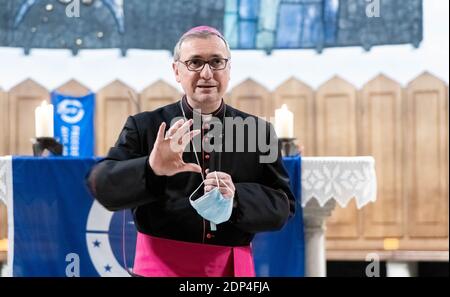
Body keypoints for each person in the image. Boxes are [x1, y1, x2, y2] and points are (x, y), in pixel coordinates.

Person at [87, 26, 295, 277]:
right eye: (195, 62)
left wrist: (236, 197)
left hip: (229, 271)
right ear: (177, 71)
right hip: (160, 269)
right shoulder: (145, 127)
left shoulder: (258, 132)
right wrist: (151, 169)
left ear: (229, 69)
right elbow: (104, 187)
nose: (207, 73)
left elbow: (282, 207)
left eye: (217, 62)